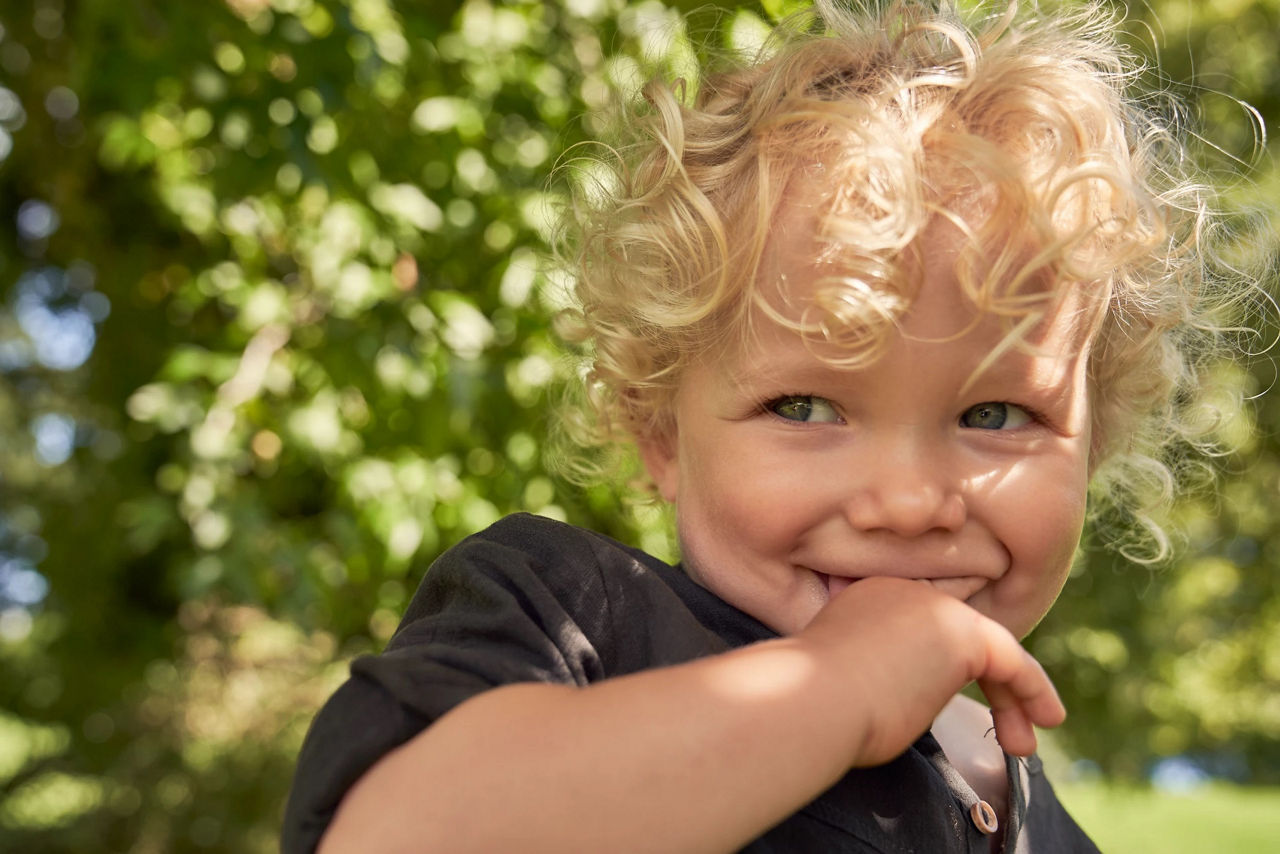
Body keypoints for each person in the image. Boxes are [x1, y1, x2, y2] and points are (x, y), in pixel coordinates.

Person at [283, 1, 1250, 851]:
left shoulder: (1040, 818)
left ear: (1095, 437)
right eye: (806, 407)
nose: (909, 503)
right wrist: (832, 690)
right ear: (661, 434)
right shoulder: (577, 616)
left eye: (995, 414)